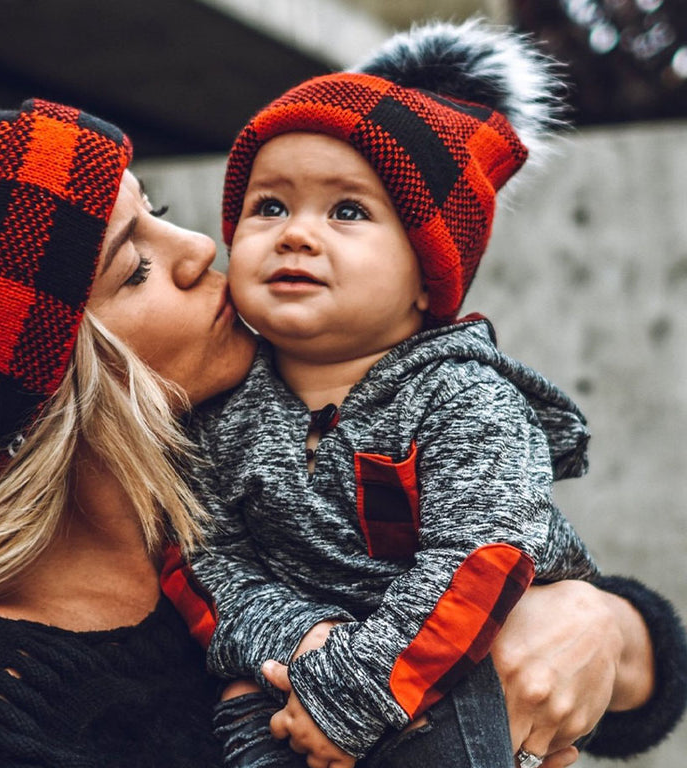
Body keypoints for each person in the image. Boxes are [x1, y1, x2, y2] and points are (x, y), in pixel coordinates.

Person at [0, 97, 681, 768]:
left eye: (162, 215)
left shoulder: (262, 468)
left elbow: (651, 676)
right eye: (132, 266)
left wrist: (598, 627)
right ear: (44, 380)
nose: (202, 250)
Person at [186, 20, 687, 768]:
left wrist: (355, 690)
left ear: (429, 275)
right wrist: (299, 642)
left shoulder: (464, 398)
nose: (296, 234)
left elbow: (480, 554)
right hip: (298, 679)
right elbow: (202, 552)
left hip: (470, 664)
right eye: (269, 206)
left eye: (347, 211)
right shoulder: (220, 409)